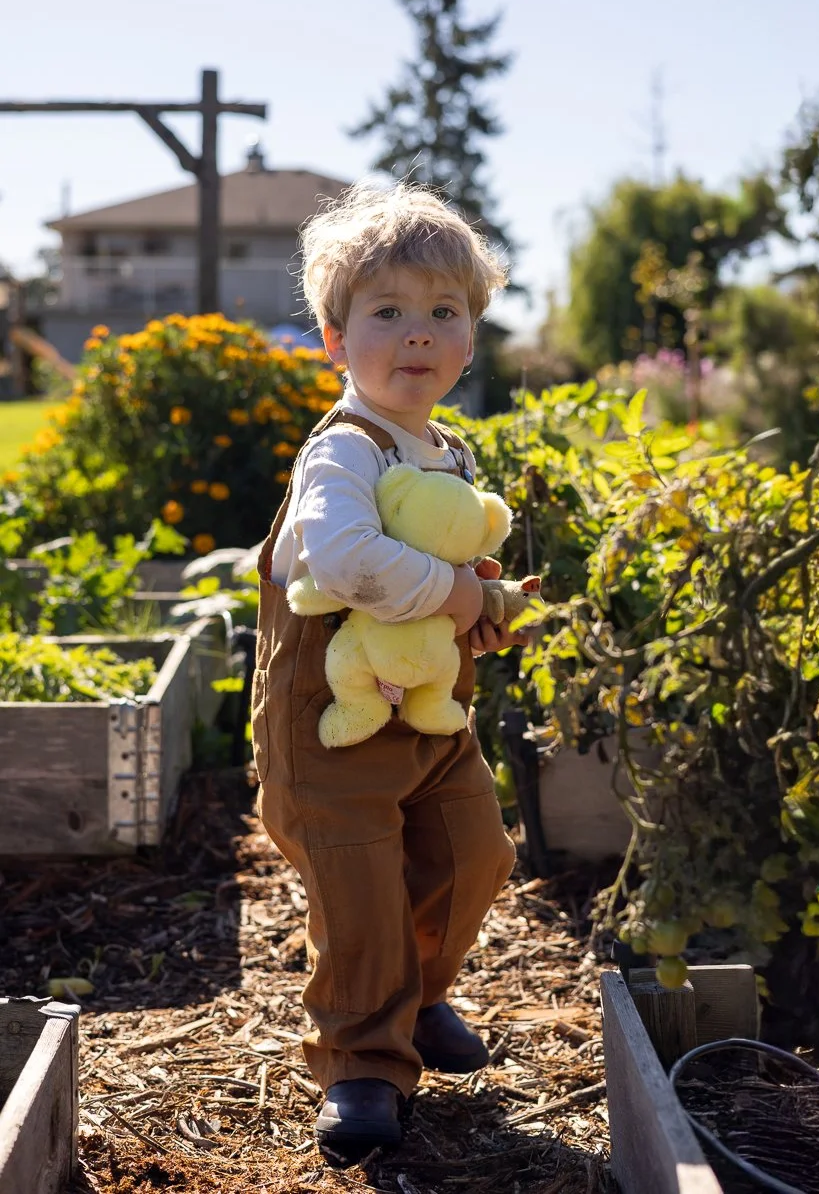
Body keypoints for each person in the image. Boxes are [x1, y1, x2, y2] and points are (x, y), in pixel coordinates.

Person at [252, 181, 525, 1163]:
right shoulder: (344, 451)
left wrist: (485, 609)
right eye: (388, 312)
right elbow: (341, 562)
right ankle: (364, 1060)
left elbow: (456, 567)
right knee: (360, 890)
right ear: (335, 339)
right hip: (331, 726)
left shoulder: (444, 450)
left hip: (430, 714)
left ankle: (416, 994)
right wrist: (453, 596)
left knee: (473, 854)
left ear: (469, 337)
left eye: (442, 313)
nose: (418, 335)